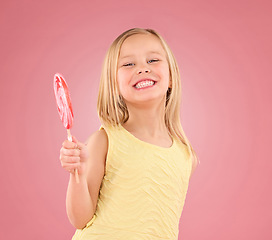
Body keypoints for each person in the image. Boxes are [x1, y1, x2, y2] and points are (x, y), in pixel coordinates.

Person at [59, 28, 198, 240]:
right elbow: (80, 219)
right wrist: (76, 173)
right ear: (114, 85)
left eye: (152, 60)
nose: (142, 69)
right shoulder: (104, 141)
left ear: (171, 77)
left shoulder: (185, 154)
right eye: (128, 64)